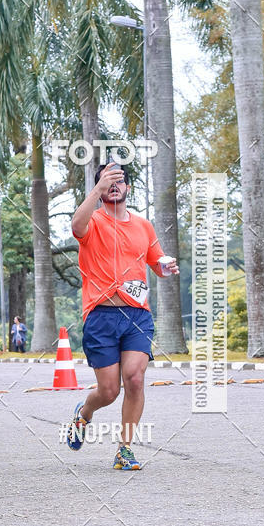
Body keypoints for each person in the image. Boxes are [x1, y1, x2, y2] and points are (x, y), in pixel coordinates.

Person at [67, 162, 179, 469]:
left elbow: (157, 263)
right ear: (100, 189)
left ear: (128, 188)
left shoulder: (143, 225)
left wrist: (165, 268)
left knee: (135, 378)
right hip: (101, 316)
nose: (115, 185)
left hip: (137, 316)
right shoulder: (93, 220)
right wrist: (98, 187)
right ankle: (84, 414)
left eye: (120, 181)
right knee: (108, 391)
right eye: (107, 181)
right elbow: (76, 226)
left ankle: (124, 449)